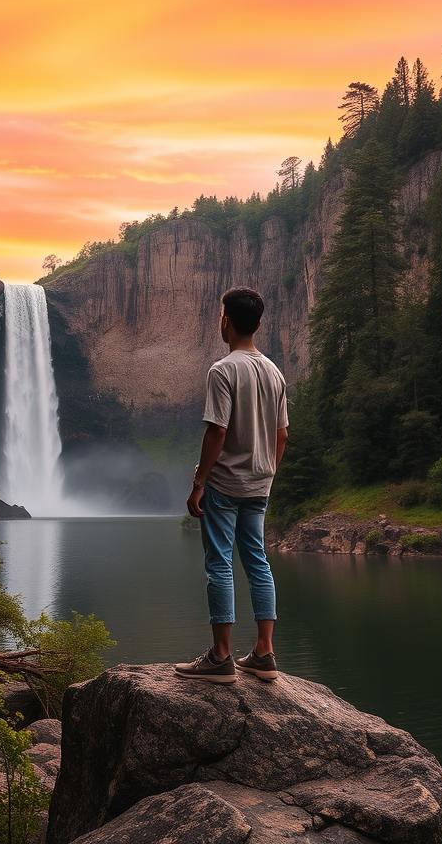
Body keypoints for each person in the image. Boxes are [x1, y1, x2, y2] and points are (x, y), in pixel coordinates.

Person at [174, 286, 289, 684]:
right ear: (257, 323)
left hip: (225, 484)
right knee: (258, 561)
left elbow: (217, 430)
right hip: (260, 484)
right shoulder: (274, 372)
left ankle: (221, 657)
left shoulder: (222, 370)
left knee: (219, 562)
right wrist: (268, 471)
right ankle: (264, 652)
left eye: (221, 315)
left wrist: (199, 481)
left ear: (227, 321)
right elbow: (283, 435)